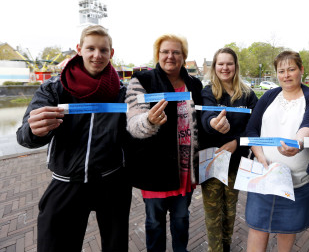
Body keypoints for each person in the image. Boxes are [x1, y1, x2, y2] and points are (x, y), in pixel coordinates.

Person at [16, 25, 132, 252]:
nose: (97, 55)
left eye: (103, 50)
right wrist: (35, 130)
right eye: (90, 48)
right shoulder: (54, 88)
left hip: (112, 181)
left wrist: (148, 125)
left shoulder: (123, 92)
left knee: (116, 246)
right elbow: (24, 136)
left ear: (111, 53)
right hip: (67, 181)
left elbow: (134, 135)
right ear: (79, 49)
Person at [124, 34, 204, 252]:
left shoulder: (194, 84)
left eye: (176, 52)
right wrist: (148, 121)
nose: (170, 56)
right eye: (165, 52)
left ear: (184, 56)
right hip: (154, 168)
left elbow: (203, 119)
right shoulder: (142, 80)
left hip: (185, 167)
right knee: (155, 221)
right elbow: (132, 121)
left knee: (181, 219)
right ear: (157, 55)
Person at [244, 50, 309, 252]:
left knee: (287, 232)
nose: (286, 75)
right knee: (257, 228)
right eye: (281, 71)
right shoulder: (269, 96)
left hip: (295, 183)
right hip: (263, 177)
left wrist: (298, 143)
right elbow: (251, 129)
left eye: (291, 69)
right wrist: (258, 154)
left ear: (301, 70)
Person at [200, 47, 258, 251]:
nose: (225, 68)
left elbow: (254, 126)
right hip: (211, 160)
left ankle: (226, 246)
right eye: (220, 64)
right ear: (214, 67)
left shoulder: (248, 95)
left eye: (229, 63)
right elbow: (205, 116)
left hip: (236, 161)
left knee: (230, 211)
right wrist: (213, 123)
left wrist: (236, 142)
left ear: (236, 66)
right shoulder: (208, 92)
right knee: (213, 213)